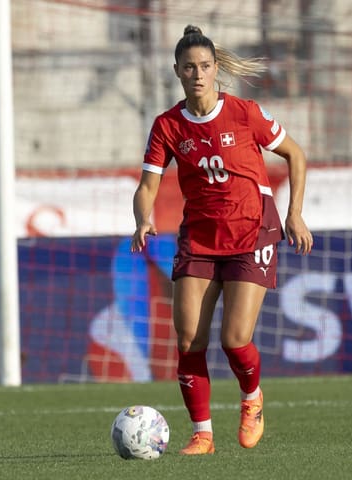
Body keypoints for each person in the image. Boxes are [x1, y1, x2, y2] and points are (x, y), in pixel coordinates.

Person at [130, 25, 313, 455]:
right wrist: (141, 220)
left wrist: (295, 213)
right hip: (200, 236)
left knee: (234, 338)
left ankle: (252, 399)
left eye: (206, 66)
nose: (198, 74)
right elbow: (147, 187)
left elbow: (295, 155)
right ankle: (202, 434)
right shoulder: (167, 126)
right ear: (176, 71)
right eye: (189, 67)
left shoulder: (245, 113)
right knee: (189, 338)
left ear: (216, 70)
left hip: (253, 230)